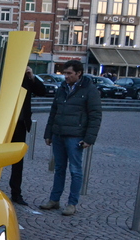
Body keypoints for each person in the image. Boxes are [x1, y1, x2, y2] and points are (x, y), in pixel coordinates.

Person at [40, 60, 102, 216]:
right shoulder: (62, 88)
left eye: (69, 73)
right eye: (64, 73)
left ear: (78, 73)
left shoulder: (89, 90)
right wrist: (49, 133)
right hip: (59, 134)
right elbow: (54, 111)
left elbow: (95, 115)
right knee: (59, 169)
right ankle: (54, 200)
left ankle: (72, 203)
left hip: (75, 136)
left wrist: (89, 138)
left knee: (75, 170)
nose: (66, 76)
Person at [9, 66, 46, 206]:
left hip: (20, 124)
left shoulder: (26, 78)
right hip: (2, 124)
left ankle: (16, 193)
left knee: (18, 161)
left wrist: (32, 77)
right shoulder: (3, 76)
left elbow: (42, 91)